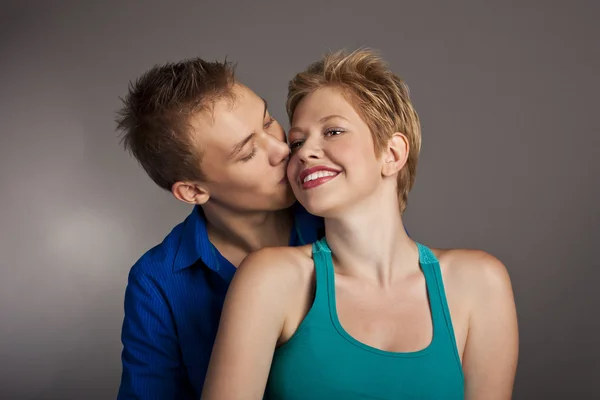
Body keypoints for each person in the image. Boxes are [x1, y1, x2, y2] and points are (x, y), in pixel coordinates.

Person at [202, 49, 519, 399]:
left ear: (393, 154)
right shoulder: (270, 278)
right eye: (297, 141)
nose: (305, 152)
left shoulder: (479, 282)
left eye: (334, 131)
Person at [114, 57, 323, 399]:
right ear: (194, 191)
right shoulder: (156, 282)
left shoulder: (333, 217)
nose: (283, 149)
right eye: (247, 153)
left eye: (268, 122)